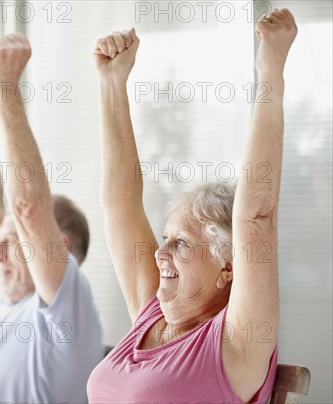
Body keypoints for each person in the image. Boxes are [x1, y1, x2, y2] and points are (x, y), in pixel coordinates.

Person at [87, 9, 297, 403]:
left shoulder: (237, 342)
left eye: (181, 243)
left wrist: (271, 72)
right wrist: (112, 84)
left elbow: (256, 219)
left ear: (229, 265)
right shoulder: (152, 312)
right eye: (167, 238)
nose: (160, 252)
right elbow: (120, 203)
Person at [0, 35, 104, 403]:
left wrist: (6, 86)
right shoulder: (8, 298)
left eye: (12, 242)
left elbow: (28, 206)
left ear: (58, 248)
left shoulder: (67, 313)